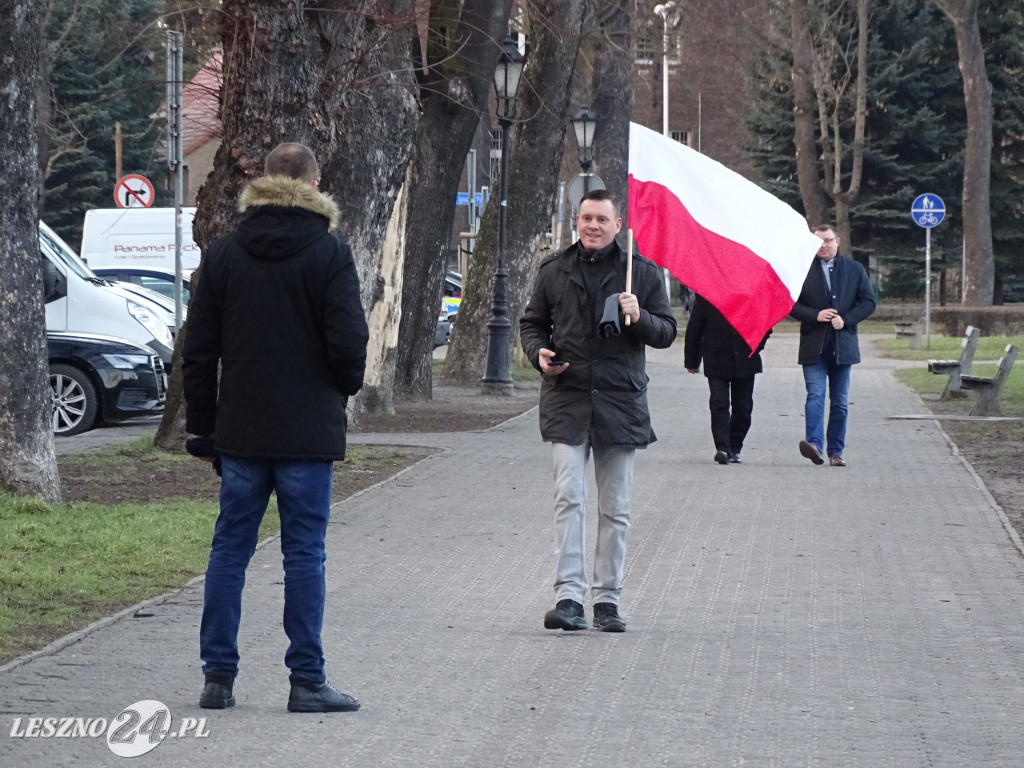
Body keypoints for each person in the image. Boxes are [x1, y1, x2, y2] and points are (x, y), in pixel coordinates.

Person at [182, 142, 369, 713]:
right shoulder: (330, 254)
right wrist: (340, 388)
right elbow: (350, 343)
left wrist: (203, 430)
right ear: (315, 185)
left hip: (241, 430)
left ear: (262, 183)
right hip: (307, 431)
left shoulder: (223, 256)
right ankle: (306, 681)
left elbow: (198, 352)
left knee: (229, 551)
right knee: (304, 555)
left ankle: (218, 677)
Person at [520, 189, 677, 633]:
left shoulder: (641, 274)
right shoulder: (554, 270)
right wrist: (538, 354)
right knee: (568, 499)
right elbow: (531, 324)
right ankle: (568, 597)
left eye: (601, 219)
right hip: (566, 399)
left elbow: (666, 332)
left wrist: (639, 315)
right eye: (586, 217)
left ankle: (607, 600)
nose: (592, 225)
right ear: (577, 220)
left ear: (616, 224)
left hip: (619, 403)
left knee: (616, 507)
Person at [790, 224, 875, 467]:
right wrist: (814, 315)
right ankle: (814, 445)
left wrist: (845, 320)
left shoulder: (854, 269)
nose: (823, 246)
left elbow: (868, 302)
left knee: (839, 400)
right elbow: (790, 303)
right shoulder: (802, 269)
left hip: (843, 346)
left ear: (837, 241)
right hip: (813, 346)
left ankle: (835, 451)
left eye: (828, 240)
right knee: (815, 394)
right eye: (818, 242)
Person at [684, 293, 769, 465]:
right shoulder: (707, 294)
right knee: (719, 402)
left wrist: (756, 345)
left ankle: (735, 446)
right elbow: (695, 327)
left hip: (745, 359)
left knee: (743, 407)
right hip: (716, 357)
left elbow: (765, 323)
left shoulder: (751, 292)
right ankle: (722, 448)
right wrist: (692, 360)